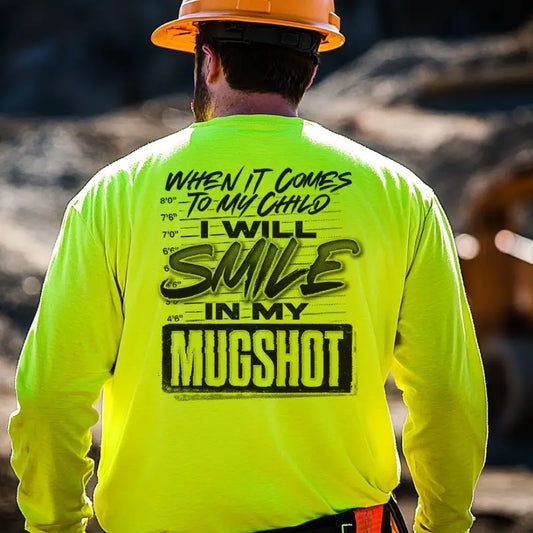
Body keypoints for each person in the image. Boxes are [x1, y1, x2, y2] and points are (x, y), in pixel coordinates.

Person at [9, 1, 488, 532]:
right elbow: (447, 393)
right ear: (311, 69)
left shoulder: (113, 195)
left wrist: (55, 525)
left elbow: (51, 397)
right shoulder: (400, 197)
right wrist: (443, 525)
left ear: (208, 61)